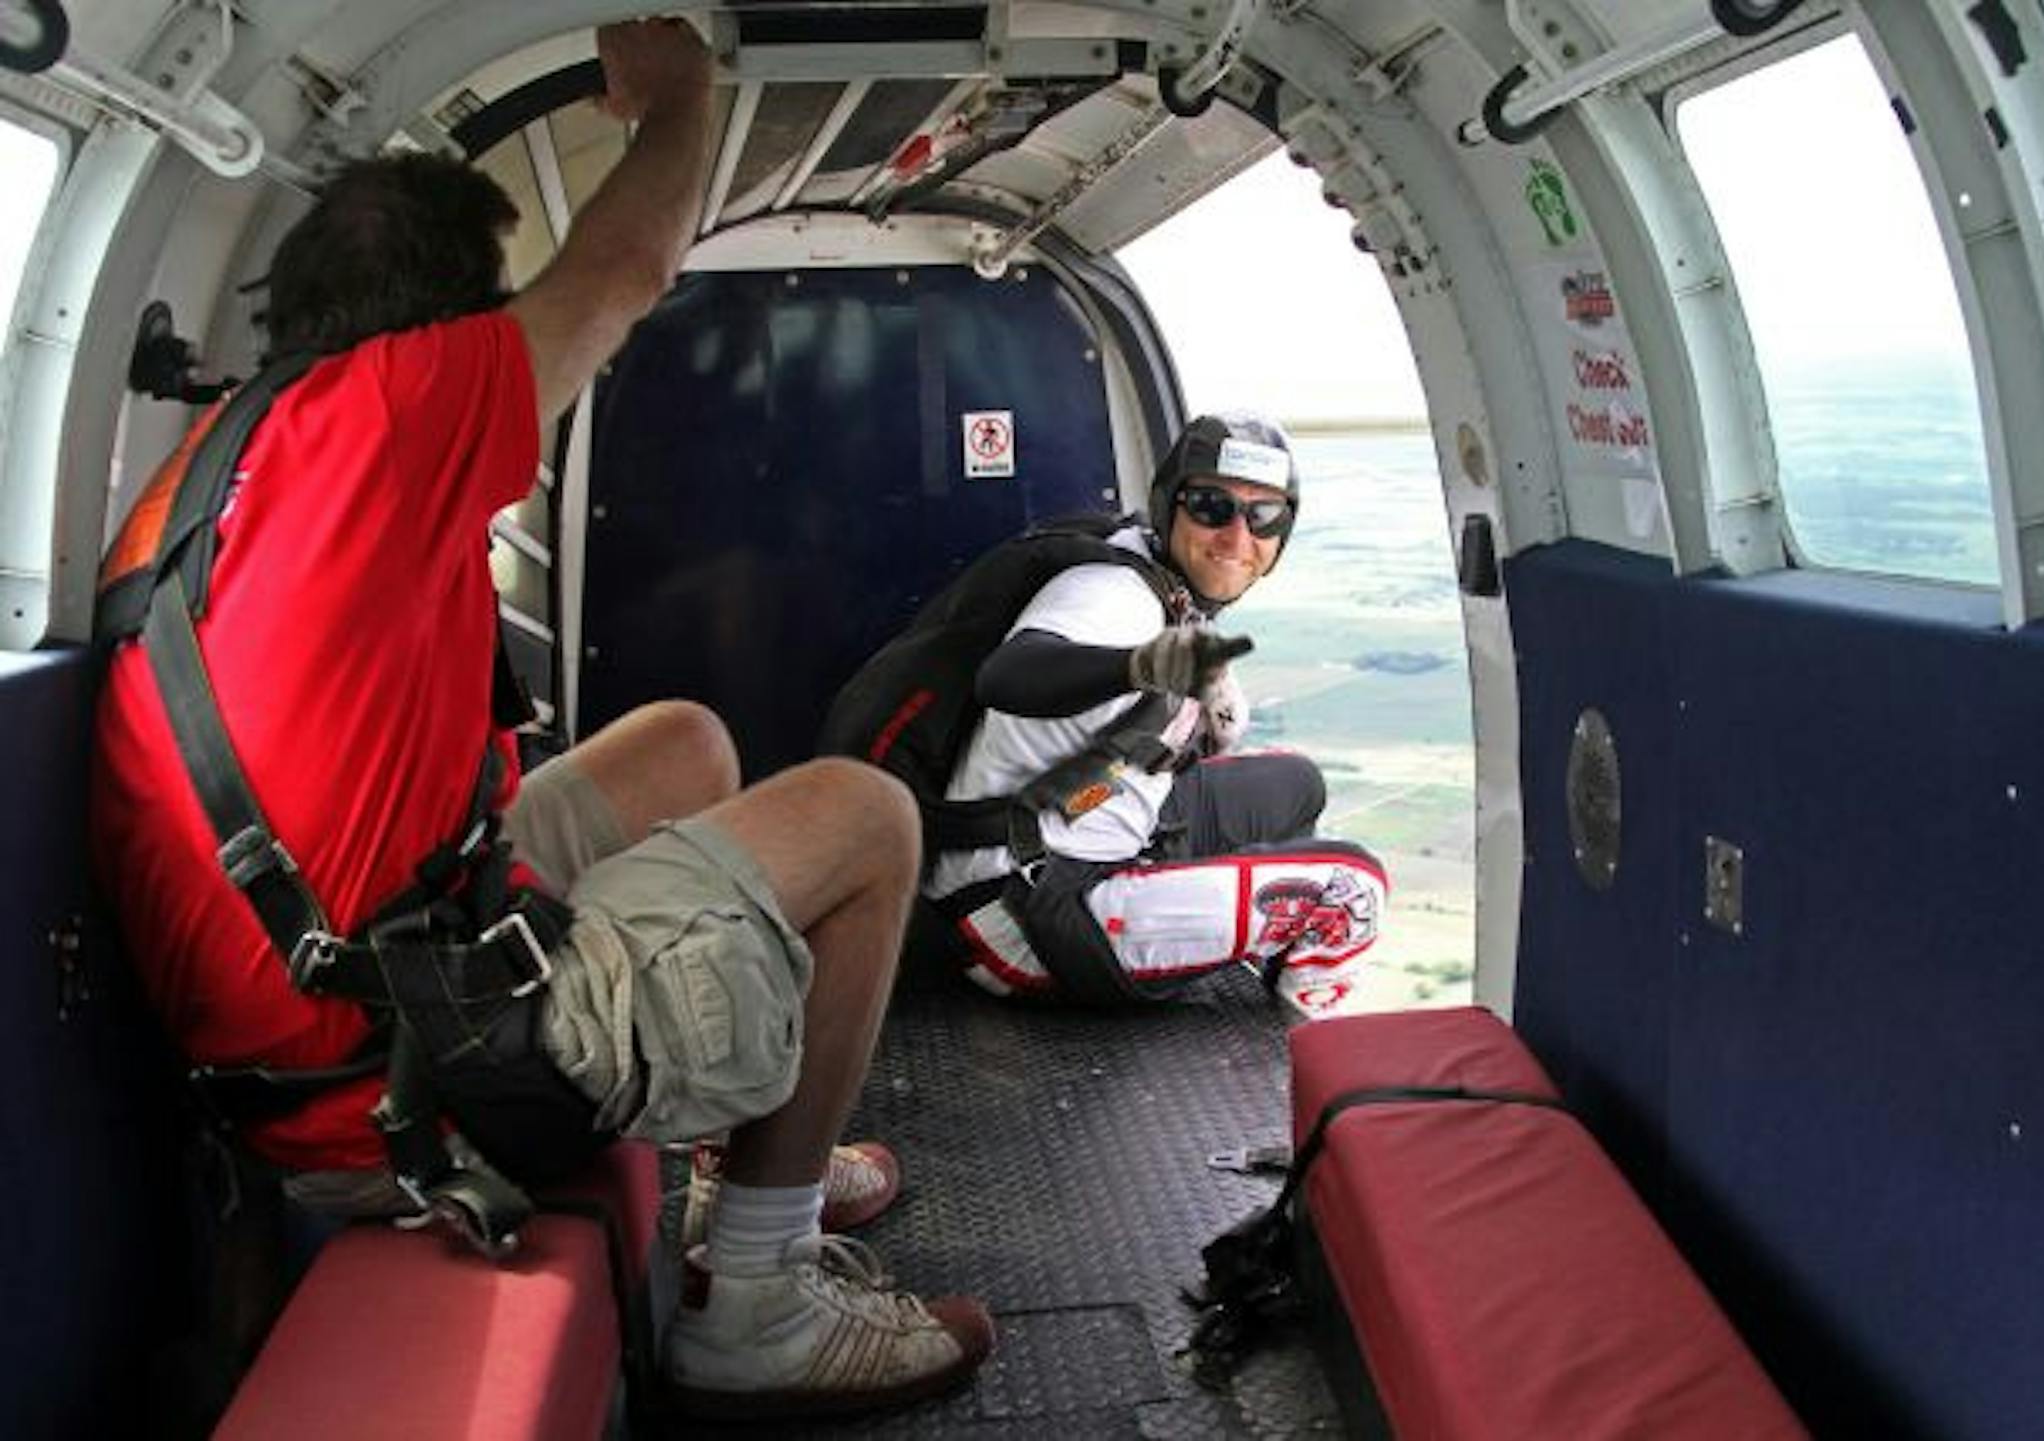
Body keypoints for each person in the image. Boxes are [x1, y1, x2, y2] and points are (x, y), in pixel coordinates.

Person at [89, 20, 990, 1421]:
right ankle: (756, 1299)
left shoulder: (211, 474)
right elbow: (624, 273)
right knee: (869, 820)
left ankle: (720, 1166)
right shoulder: (390, 409)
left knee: (682, 740)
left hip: (311, 1025)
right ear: (447, 321)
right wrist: (682, 99)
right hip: (398, 1083)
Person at [923, 413, 1388, 1012]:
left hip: (1086, 831)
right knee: (1351, 892)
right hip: (1026, 913)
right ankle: (1293, 1065)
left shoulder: (1163, 581)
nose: (1237, 538)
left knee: (1296, 785)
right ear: (1170, 505)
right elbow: (1009, 675)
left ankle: (1235, 950)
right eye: (1211, 506)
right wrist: (1137, 665)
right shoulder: (1110, 593)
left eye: (1265, 516)